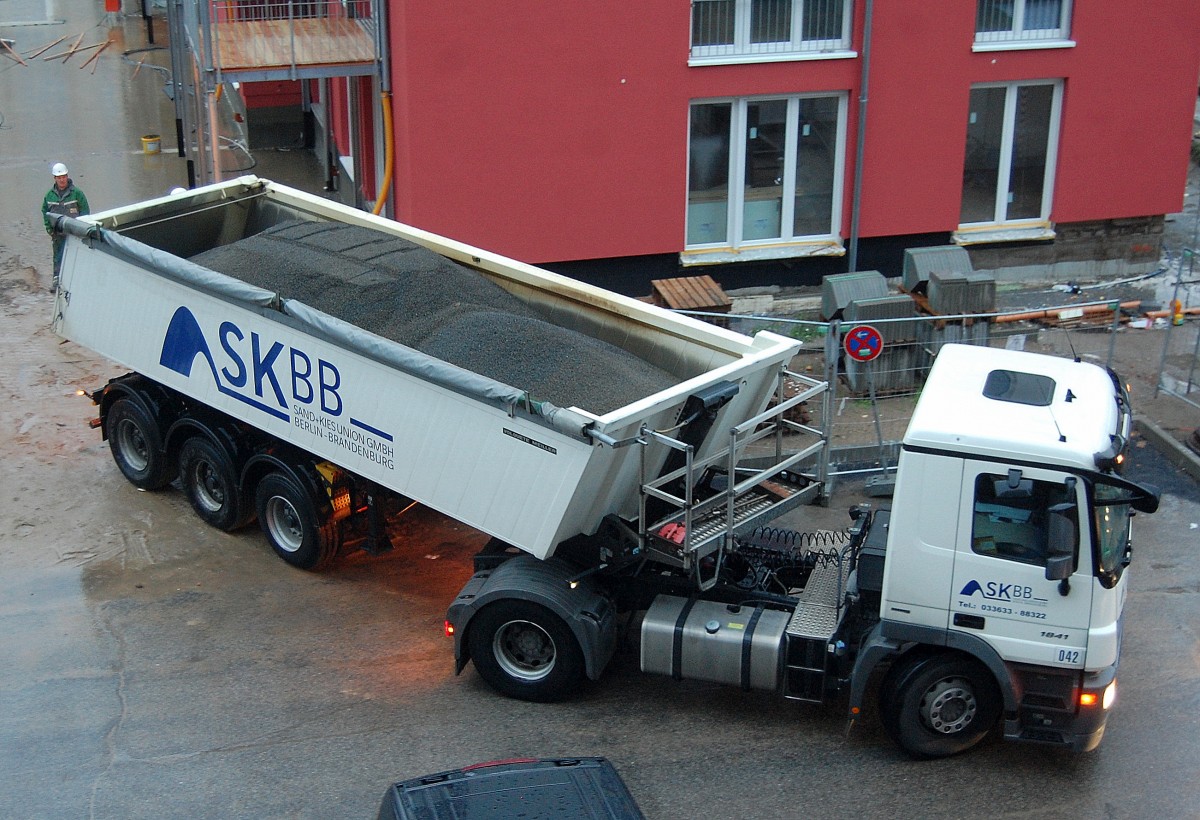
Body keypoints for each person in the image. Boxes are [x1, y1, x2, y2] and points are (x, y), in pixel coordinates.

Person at [41, 162, 89, 291]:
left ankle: (78, 282)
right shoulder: (49, 196)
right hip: (58, 234)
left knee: (77, 258)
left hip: (75, 234)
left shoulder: (77, 194)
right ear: (55, 178)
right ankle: (57, 281)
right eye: (59, 177)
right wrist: (49, 229)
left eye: (63, 177)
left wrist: (82, 230)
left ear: (67, 176)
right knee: (58, 258)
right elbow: (45, 212)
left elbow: (85, 212)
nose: (62, 180)